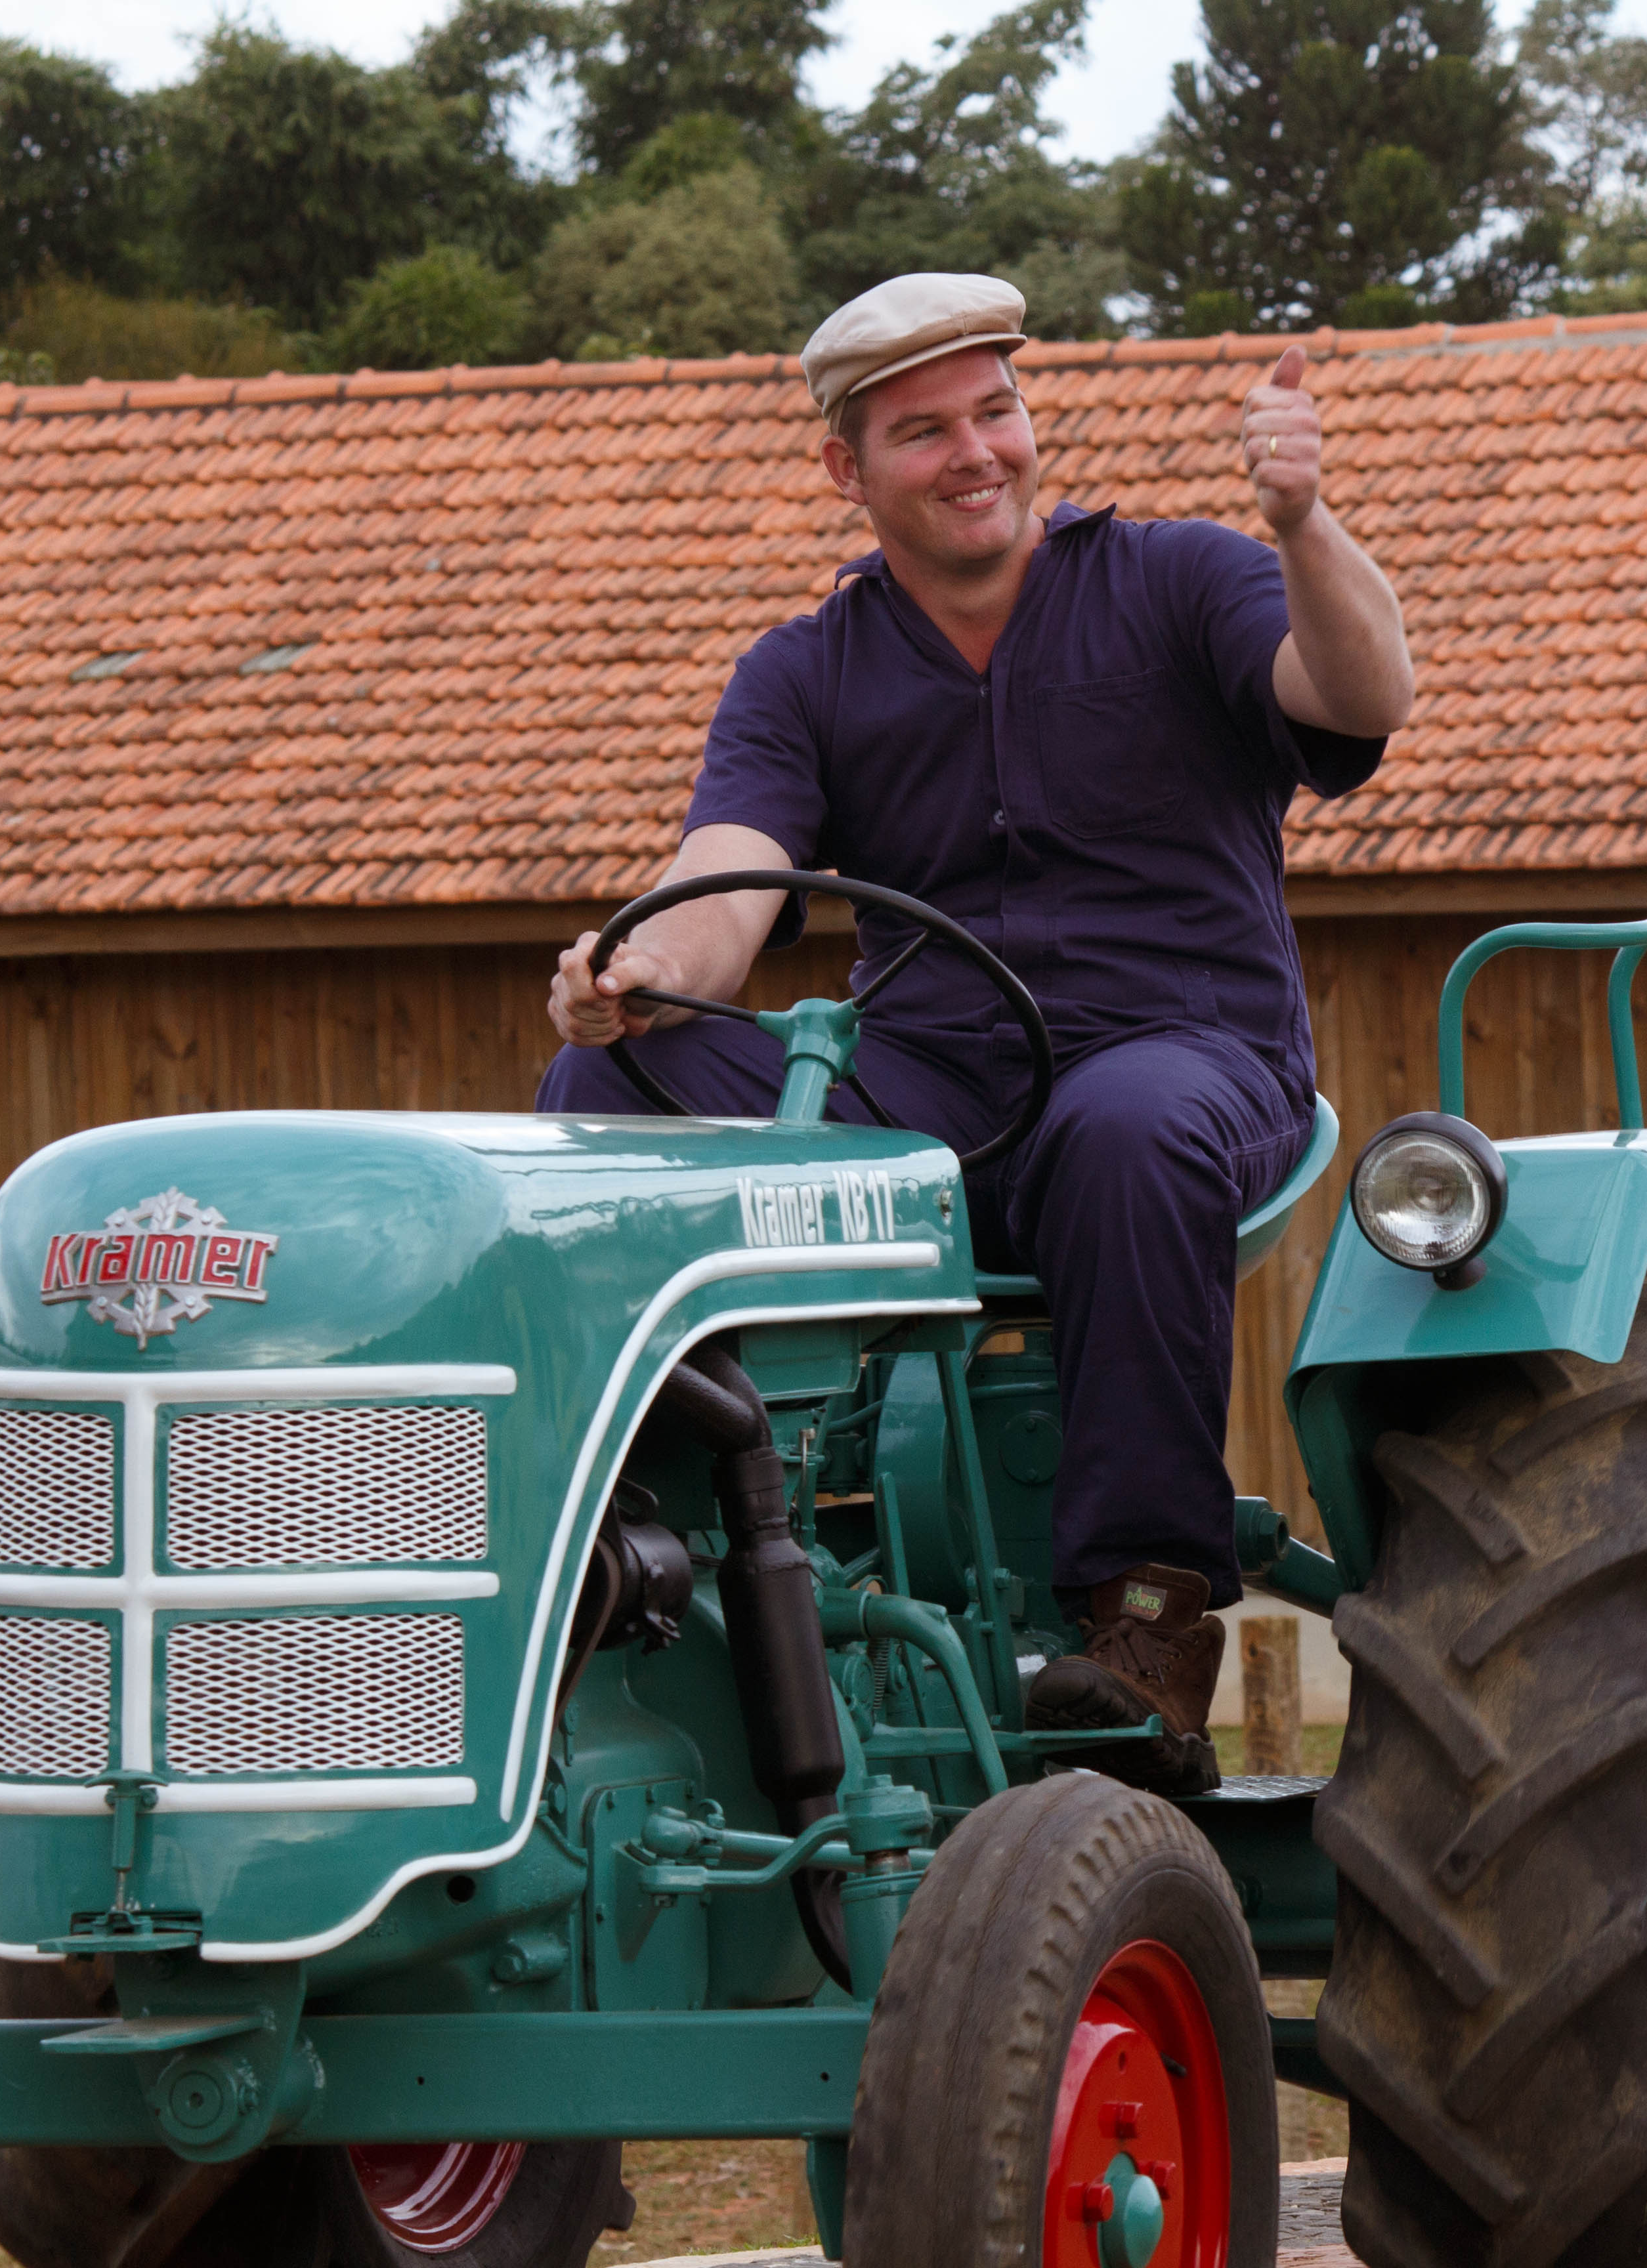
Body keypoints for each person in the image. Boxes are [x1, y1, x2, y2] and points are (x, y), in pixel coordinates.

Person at [539, 273, 1413, 1797]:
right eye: (921, 429)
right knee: (607, 1077)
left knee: (1122, 1131)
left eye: (994, 411)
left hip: (1189, 1059)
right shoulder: (805, 671)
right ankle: (631, 1572)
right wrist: (631, 970)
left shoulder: (1179, 579)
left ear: (1029, 419)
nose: (973, 453)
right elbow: (728, 879)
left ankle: (1146, 1627)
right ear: (847, 468)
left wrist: (1303, 523)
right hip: (933, 1099)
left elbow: (1359, 696)